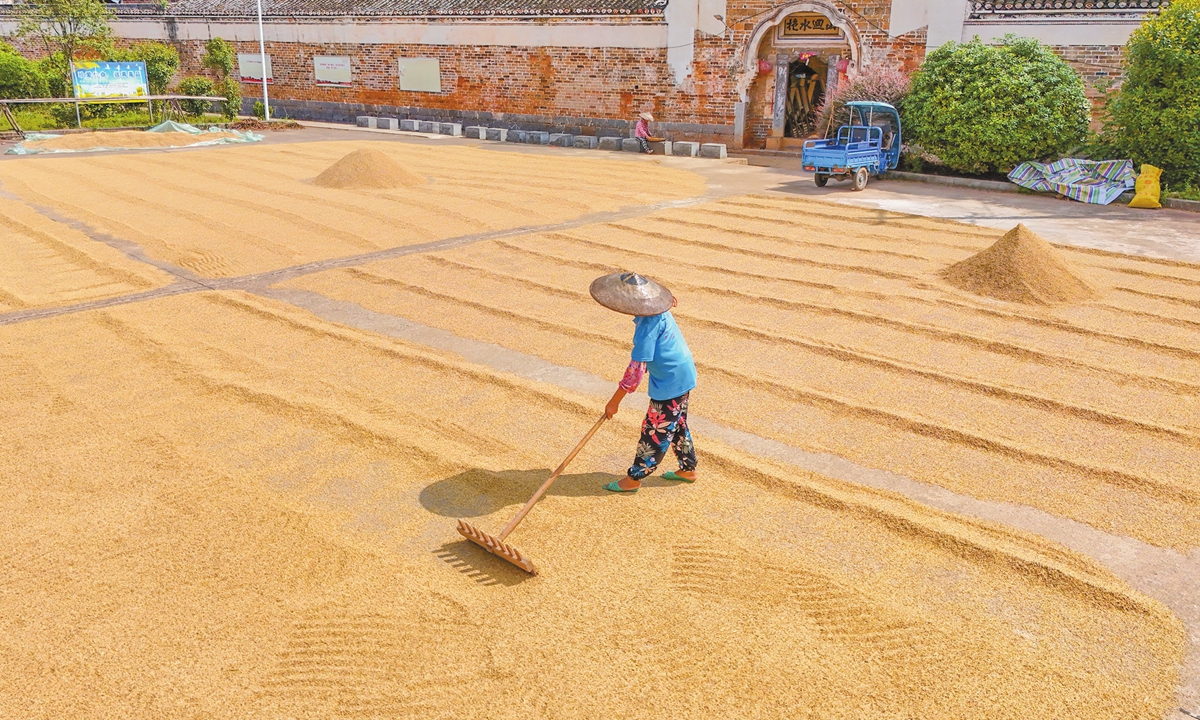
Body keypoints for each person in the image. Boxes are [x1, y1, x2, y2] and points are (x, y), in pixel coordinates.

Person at [589, 272, 698, 493]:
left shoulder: (646, 327)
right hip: (683, 374)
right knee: (676, 424)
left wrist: (614, 402)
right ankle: (688, 469)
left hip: (671, 381)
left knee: (654, 430)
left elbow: (636, 372)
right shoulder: (660, 311)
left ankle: (634, 478)